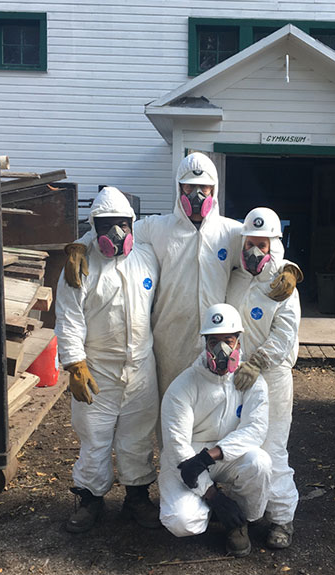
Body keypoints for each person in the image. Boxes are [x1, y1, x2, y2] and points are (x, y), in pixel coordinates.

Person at [63, 153, 302, 398]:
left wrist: (287, 268)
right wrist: (81, 245)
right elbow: (117, 228)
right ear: (179, 188)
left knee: (217, 409)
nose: (196, 196)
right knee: (170, 407)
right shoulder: (158, 228)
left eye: (204, 188)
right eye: (189, 187)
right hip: (170, 340)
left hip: (216, 335)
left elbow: (264, 243)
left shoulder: (230, 232)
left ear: (214, 189)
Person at [55, 186, 161, 533]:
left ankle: (137, 498)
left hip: (141, 367)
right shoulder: (80, 265)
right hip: (97, 367)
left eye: (121, 224)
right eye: (105, 225)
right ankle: (90, 500)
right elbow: (69, 317)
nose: (115, 233)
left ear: (133, 223)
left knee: (138, 437)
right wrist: (74, 364)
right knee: (94, 437)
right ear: (93, 226)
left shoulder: (147, 256)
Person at [158, 303, 272, 557]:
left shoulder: (251, 382)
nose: (221, 349)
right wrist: (213, 496)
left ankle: (239, 522)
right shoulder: (184, 386)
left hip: (224, 456)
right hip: (188, 459)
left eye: (228, 341)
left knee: (260, 462)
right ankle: (214, 506)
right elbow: (177, 447)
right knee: (181, 522)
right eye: (213, 341)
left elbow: (255, 429)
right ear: (205, 344)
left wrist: (213, 455)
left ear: (238, 344)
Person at [226, 207, 301, 549]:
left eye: (263, 245)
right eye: (250, 243)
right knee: (237, 446)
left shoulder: (283, 285)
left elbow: (285, 334)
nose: (254, 252)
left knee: (272, 447)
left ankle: (282, 520)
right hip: (234, 375)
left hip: (269, 375)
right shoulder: (234, 276)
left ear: (274, 246)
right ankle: (239, 515)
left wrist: (257, 361)